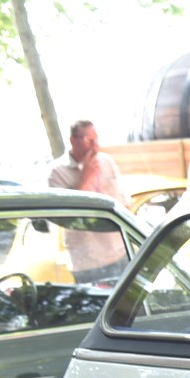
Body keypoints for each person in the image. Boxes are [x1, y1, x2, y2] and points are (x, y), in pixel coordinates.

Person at [47, 120, 131, 284]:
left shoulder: (107, 162)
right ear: (73, 140)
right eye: (88, 140)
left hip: (120, 254)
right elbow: (68, 217)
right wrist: (86, 177)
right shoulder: (57, 174)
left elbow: (125, 204)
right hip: (88, 263)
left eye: (96, 138)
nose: (95, 145)